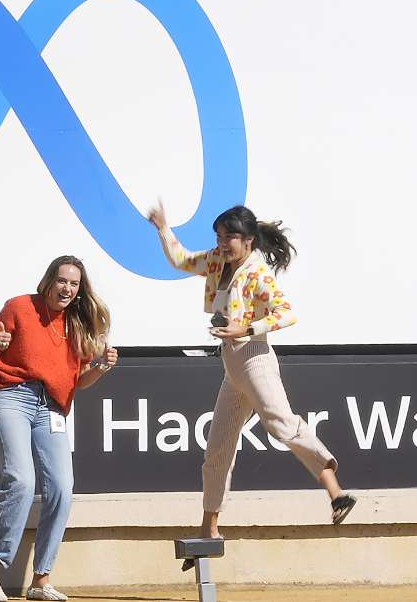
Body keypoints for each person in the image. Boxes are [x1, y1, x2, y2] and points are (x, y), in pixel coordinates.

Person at [146, 203, 356, 567]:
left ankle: (336, 492)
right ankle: (209, 530)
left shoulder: (258, 273)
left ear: (248, 240)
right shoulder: (216, 260)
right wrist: (163, 227)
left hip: (255, 358)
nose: (222, 243)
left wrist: (245, 328)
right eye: (219, 236)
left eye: (230, 237)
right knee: (218, 448)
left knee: (281, 422)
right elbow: (181, 260)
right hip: (233, 366)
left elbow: (286, 313)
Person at [0, 255, 119, 602]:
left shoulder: (77, 324)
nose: (67, 288)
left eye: (74, 284)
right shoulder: (19, 307)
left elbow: (79, 382)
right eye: (62, 281)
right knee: (21, 480)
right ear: (49, 281)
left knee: (61, 488)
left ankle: (41, 581)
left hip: (51, 407)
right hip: (12, 396)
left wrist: (100, 367)